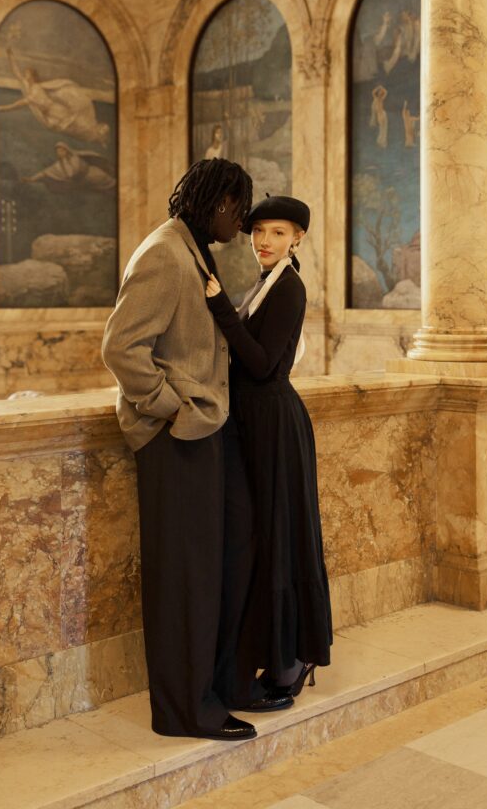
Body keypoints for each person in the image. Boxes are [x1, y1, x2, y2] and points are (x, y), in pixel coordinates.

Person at [102, 158, 262, 742]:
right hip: (174, 438)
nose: (242, 223)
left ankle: (210, 692)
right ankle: (183, 712)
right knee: (184, 577)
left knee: (212, 566)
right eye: (239, 210)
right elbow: (121, 348)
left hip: (202, 431)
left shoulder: (191, 249)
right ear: (217, 202)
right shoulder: (165, 255)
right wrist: (173, 408)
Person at [204, 194, 332, 709]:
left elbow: (260, 364)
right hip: (255, 422)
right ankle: (275, 656)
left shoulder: (290, 288)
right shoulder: (266, 283)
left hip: (275, 425)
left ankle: (290, 659)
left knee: (278, 539)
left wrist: (219, 307)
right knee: (262, 540)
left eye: (278, 232)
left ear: (298, 238)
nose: (264, 241)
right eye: (258, 231)